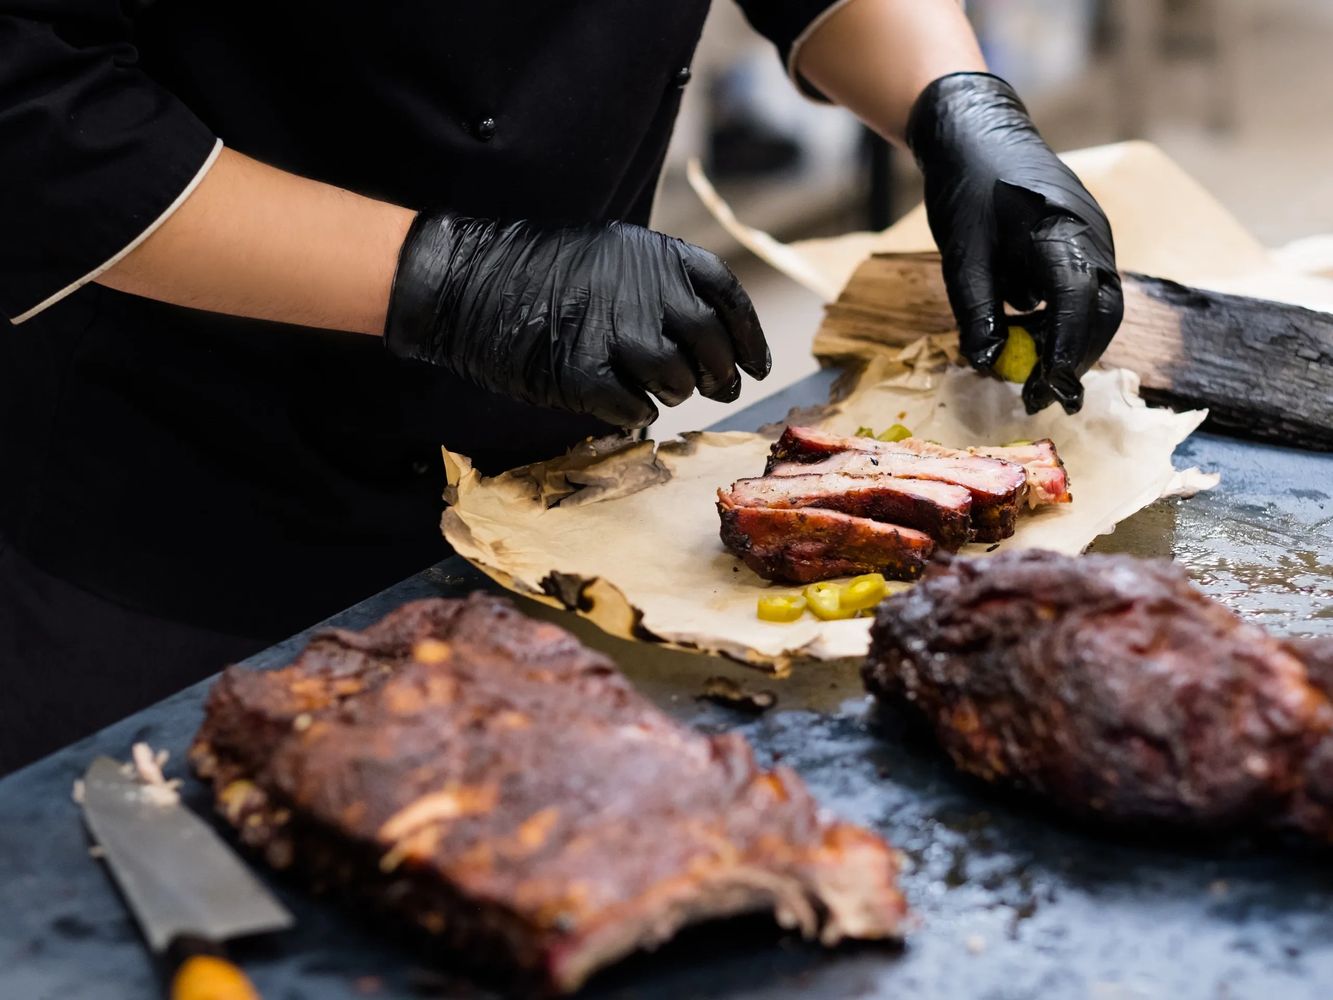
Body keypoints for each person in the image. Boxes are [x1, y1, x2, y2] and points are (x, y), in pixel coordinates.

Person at [0, 0, 1122, 773]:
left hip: (545, 481)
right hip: (172, 504)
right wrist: (448, 277)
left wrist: (956, 102)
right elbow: (30, 100)